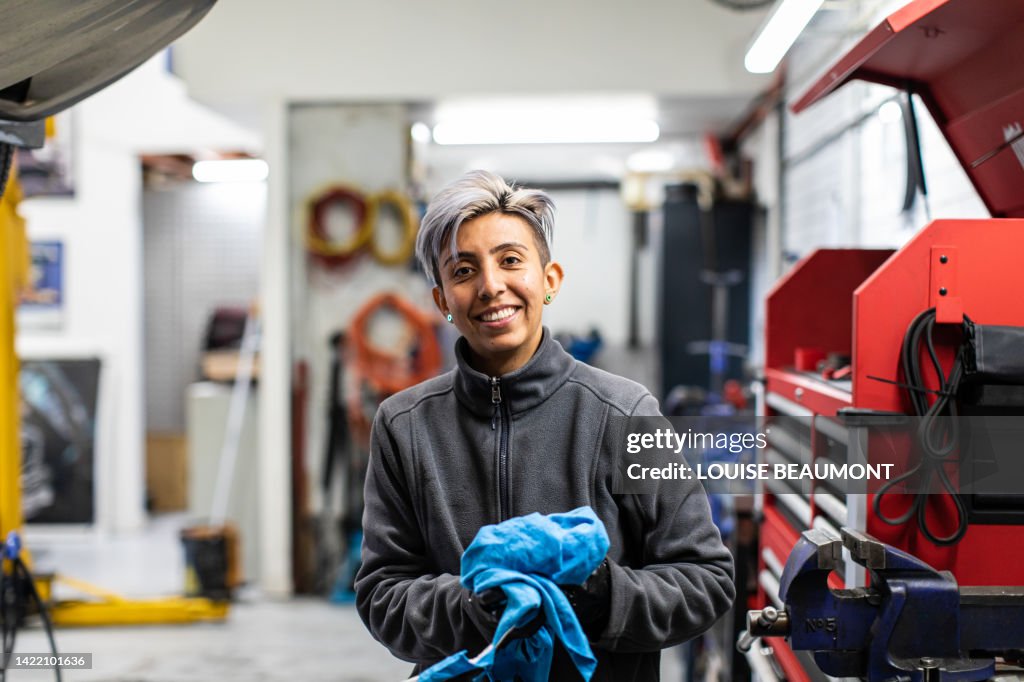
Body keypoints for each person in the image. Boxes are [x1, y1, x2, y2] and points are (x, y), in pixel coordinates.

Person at [354, 170, 735, 681]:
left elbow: (705, 580)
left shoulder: (626, 413)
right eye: (463, 271)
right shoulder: (405, 426)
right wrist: (478, 604)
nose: (491, 286)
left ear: (549, 280)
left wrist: (602, 597)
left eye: (510, 260)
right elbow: (383, 593)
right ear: (443, 301)